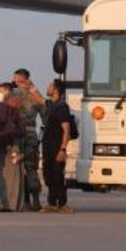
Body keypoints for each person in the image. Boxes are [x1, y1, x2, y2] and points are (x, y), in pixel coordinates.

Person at [11, 68, 46, 212]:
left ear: (20, 79)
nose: (13, 81)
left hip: (16, 136)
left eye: (15, 79)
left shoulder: (12, 95)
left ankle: (24, 201)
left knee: (18, 169)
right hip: (31, 135)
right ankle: (35, 200)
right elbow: (45, 116)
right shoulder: (35, 96)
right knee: (31, 168)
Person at [40, 79, 74, 213]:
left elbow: (67, 130)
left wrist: (63, 149)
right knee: (48, 175)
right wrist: (29, 86)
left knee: (58, 175)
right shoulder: (51, 105)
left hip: (57, 146)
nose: (47, 88)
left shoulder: (61, 107)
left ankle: (63, 204)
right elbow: (39, 99)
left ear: (55, 89)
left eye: (49, 86)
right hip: (48, 146)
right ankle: (52, 203)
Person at [0, 82, 23, 211]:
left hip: (10, 142)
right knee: (5, 174)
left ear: (7, 90)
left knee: (9, 174)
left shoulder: (13, 102)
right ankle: (7, 203)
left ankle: (9, 203)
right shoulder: (1, 106)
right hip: (7, 142)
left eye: (0, 90)